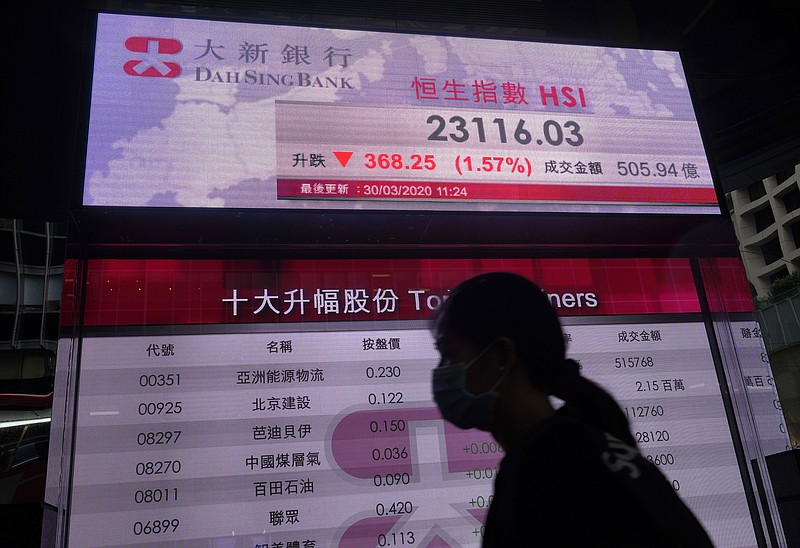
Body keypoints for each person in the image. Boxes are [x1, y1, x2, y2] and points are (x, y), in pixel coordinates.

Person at [431, 272, 713, 547]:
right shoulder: (584, 444)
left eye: (450, 355)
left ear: (502, 356)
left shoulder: (548, 473)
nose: (441, 372)